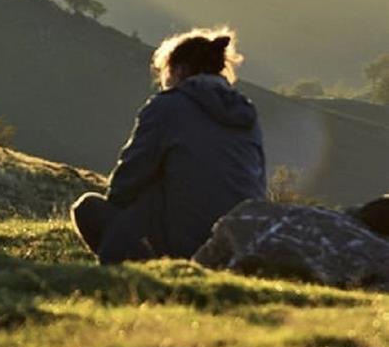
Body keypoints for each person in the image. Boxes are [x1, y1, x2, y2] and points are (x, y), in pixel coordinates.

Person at [71, 27, 266, 263]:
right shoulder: (246, 114)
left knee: (89, 209)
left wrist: (120, 222)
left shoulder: (168, 106)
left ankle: (141, 272)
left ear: (180, 70)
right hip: (242, 244)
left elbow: (130, 176)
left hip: (185, 246)